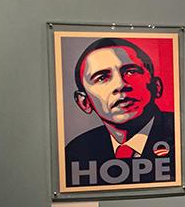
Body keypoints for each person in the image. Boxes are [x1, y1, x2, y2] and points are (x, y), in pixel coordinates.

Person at [65, 38, 176, 187]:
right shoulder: (77, 151)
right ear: (84, 102)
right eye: (102, 77)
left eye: (131, 71)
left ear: (156, 86)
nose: (120, 85)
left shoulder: (180, 136)